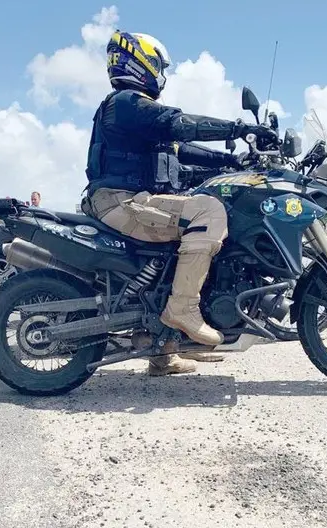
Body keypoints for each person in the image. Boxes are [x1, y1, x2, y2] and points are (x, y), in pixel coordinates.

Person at [83, 30, 276, 376]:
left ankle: (167, 350)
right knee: (209, 211)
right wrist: (240, 130)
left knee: (193, 234)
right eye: (158, 65)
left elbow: (181, 150)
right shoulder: (127, 103)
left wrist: (232, 162)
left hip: (129, 201)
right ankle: (183, 309)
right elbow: (181, 125)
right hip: (121, 202)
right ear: (141, 62)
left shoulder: (133, 115)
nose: (162, 74)